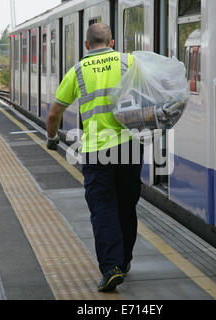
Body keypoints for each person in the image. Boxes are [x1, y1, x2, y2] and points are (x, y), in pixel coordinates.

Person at [46, 23, 143, 292]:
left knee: (103, 208)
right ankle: (123, 263)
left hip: (96, 151)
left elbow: (54, 114)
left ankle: (111, 268)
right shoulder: (129, 62)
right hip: (130, 146)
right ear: (112, 42)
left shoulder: (77, 71)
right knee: (126, 206)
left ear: (87, 45)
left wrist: (52, 138)